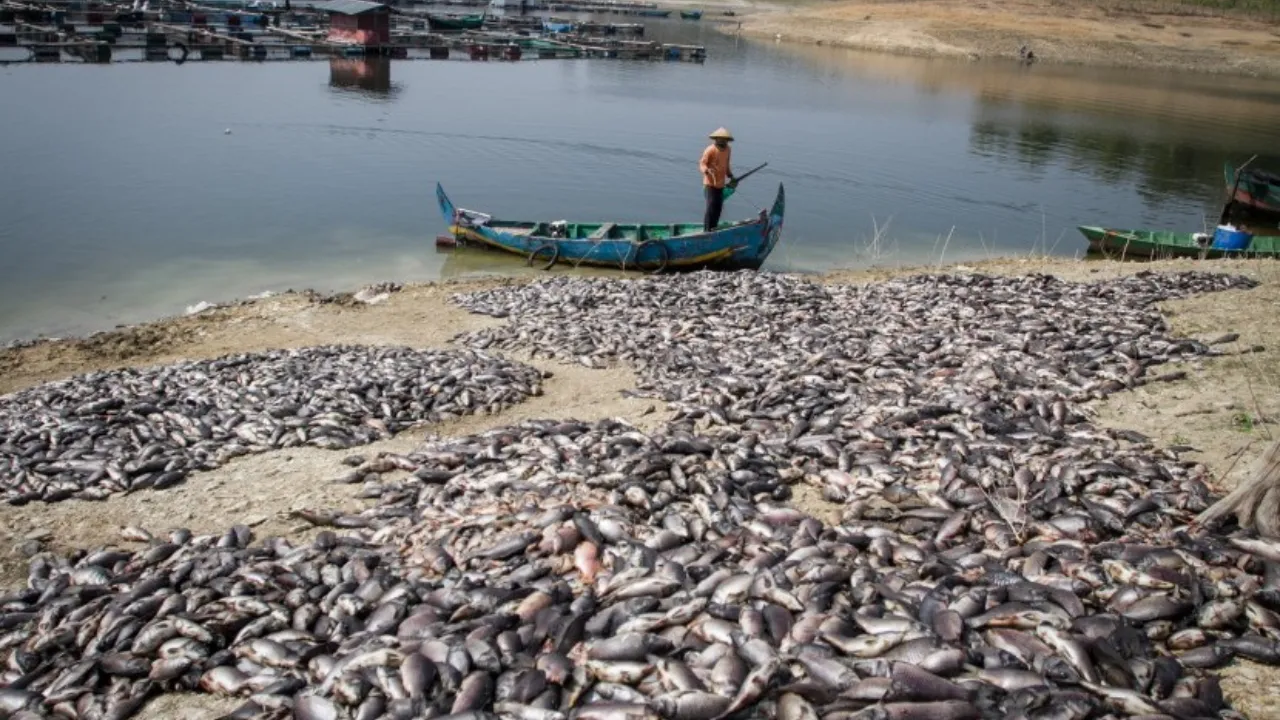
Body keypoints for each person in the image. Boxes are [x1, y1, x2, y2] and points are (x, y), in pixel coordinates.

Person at [700, 127, 735, 232]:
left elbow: (726, 164)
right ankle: (707, 231)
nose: (722, 141)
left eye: (724, 139)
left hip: (720, 185)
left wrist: (730, 175)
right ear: (716, 139)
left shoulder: (728, 149)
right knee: (711, 208)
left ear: (727, 140)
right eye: (720, 139)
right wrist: (707, 170)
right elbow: (702, 163)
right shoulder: (710, 149)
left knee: (718, 209)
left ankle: (713, 230)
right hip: (710, 184)